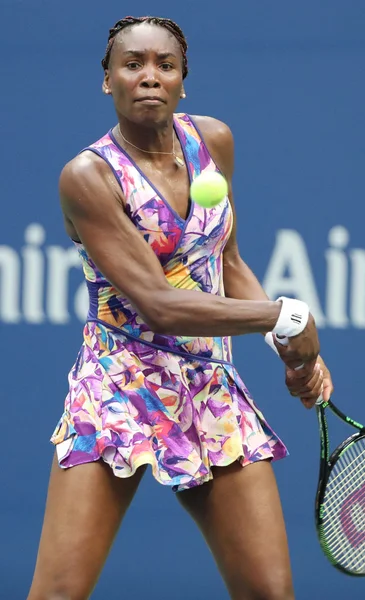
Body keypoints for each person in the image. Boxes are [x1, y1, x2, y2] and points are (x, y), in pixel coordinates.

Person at [28, 16, 334, 600]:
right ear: (107, 80)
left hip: (209, 387)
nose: (149, 77)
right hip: (118, 390)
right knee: (57, 595)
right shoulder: (89, 177)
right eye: (133, 64)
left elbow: (229, 263)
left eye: (164, 66)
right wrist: (285, 317)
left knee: (271, 594)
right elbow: (160, 305)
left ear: (182, 81)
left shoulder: (213, 142)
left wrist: (286, 351)